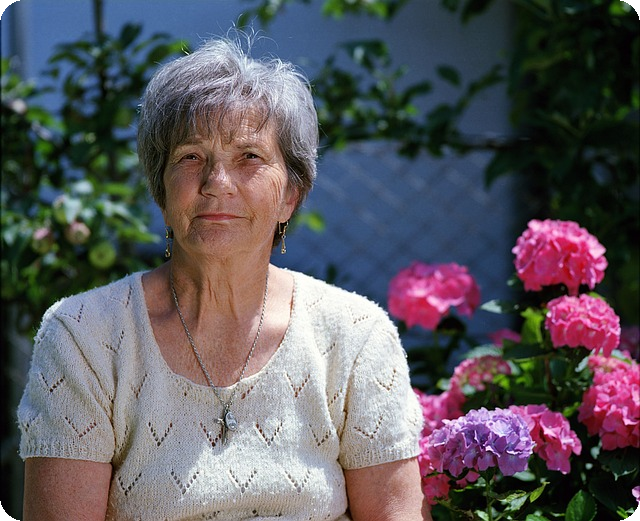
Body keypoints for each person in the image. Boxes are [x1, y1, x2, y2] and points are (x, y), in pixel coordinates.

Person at [17, 34, 430, 521]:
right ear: (162, 190)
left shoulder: (356, 336)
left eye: (249, 157)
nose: (217, 183)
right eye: (191, 157)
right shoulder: (83, 335)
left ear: (290, 195)